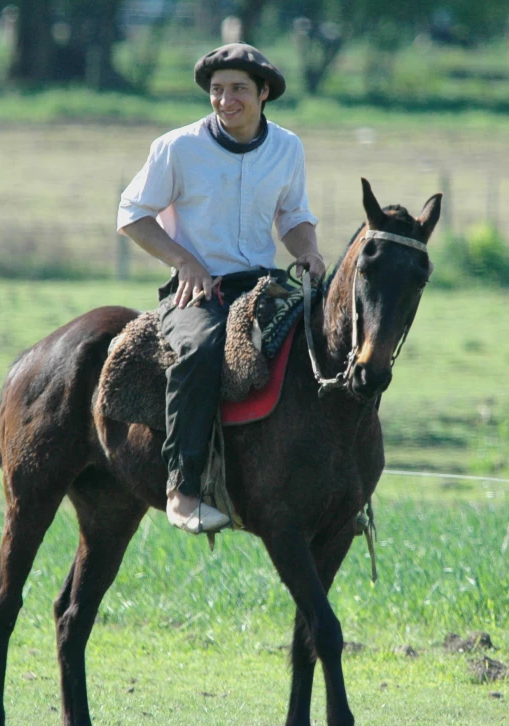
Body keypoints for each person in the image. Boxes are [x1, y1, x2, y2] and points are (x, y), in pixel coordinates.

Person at [117, 42, 325, 534]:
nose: (225, 100)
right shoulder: (177, 147)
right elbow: (131, 215)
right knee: (203, 348)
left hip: (262, 285)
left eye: (238, 90)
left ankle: (332, 490)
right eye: (217, 90)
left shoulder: (287, 147)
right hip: (196, 290)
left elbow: (293, 215)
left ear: (264, 93)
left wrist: (310, 251)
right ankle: (183, 488)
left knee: (323, 344)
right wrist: (184, 261)